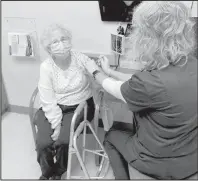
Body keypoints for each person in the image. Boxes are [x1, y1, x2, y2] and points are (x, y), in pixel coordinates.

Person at [85, 1, 197, 179]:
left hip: (157, 162)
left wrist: (94, 71)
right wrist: (110, 71)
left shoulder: (148, 82)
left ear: (148, 37)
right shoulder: (190, 63)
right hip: (190, 158)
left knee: (111, 136)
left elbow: (119, 89)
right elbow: (141, 85)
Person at [34, 23, 95, 180]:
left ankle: (58, 171)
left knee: (63, 141)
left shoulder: (80, 58)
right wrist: (56, 124)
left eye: (64, 39)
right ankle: (47, 173)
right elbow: (47, 99)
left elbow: (96, 73)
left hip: (79, 105)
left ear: (70, 40)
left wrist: (99, 73)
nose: (61, 44)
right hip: (53, 106)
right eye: (55, 42)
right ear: (48, 48)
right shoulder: (46, 67)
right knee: (43, 143)